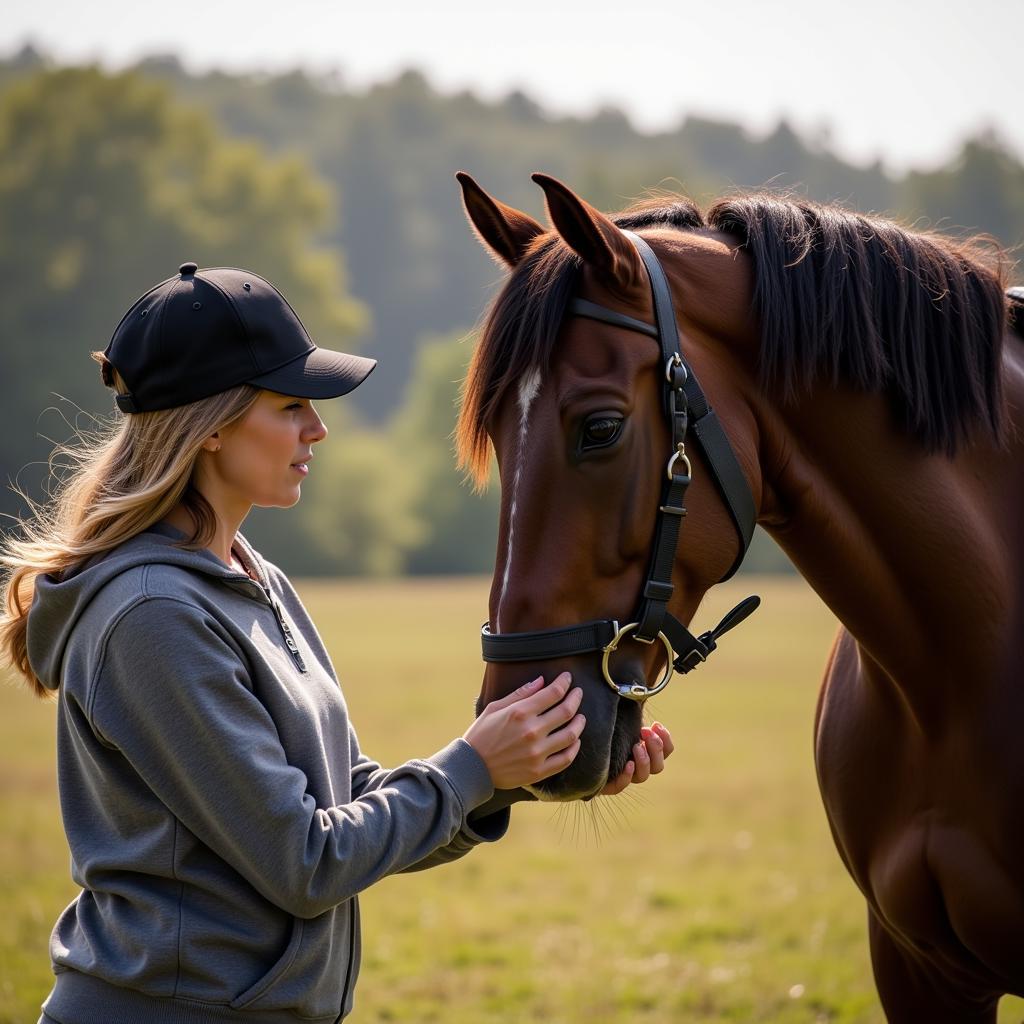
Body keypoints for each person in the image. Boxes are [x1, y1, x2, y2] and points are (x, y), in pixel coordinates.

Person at [0, 262, 674, 1024]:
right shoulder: (152, 617)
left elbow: (350, 808)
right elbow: (306, 862)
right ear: (212, 425)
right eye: (291, 406)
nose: (317, 428)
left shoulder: (257, 580)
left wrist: (526, 769)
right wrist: (472, 767)